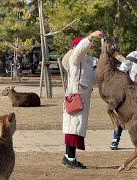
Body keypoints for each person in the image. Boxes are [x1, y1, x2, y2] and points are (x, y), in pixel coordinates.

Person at [61, 30, 103, 169]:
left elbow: (93, 79)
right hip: (76, 97)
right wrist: (89, 38)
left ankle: (68, 157)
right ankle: (70, 159)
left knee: (75, 128)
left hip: (82, 98)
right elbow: (78, 51)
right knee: (73, 128)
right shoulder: (74, 58)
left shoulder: (87, 62)